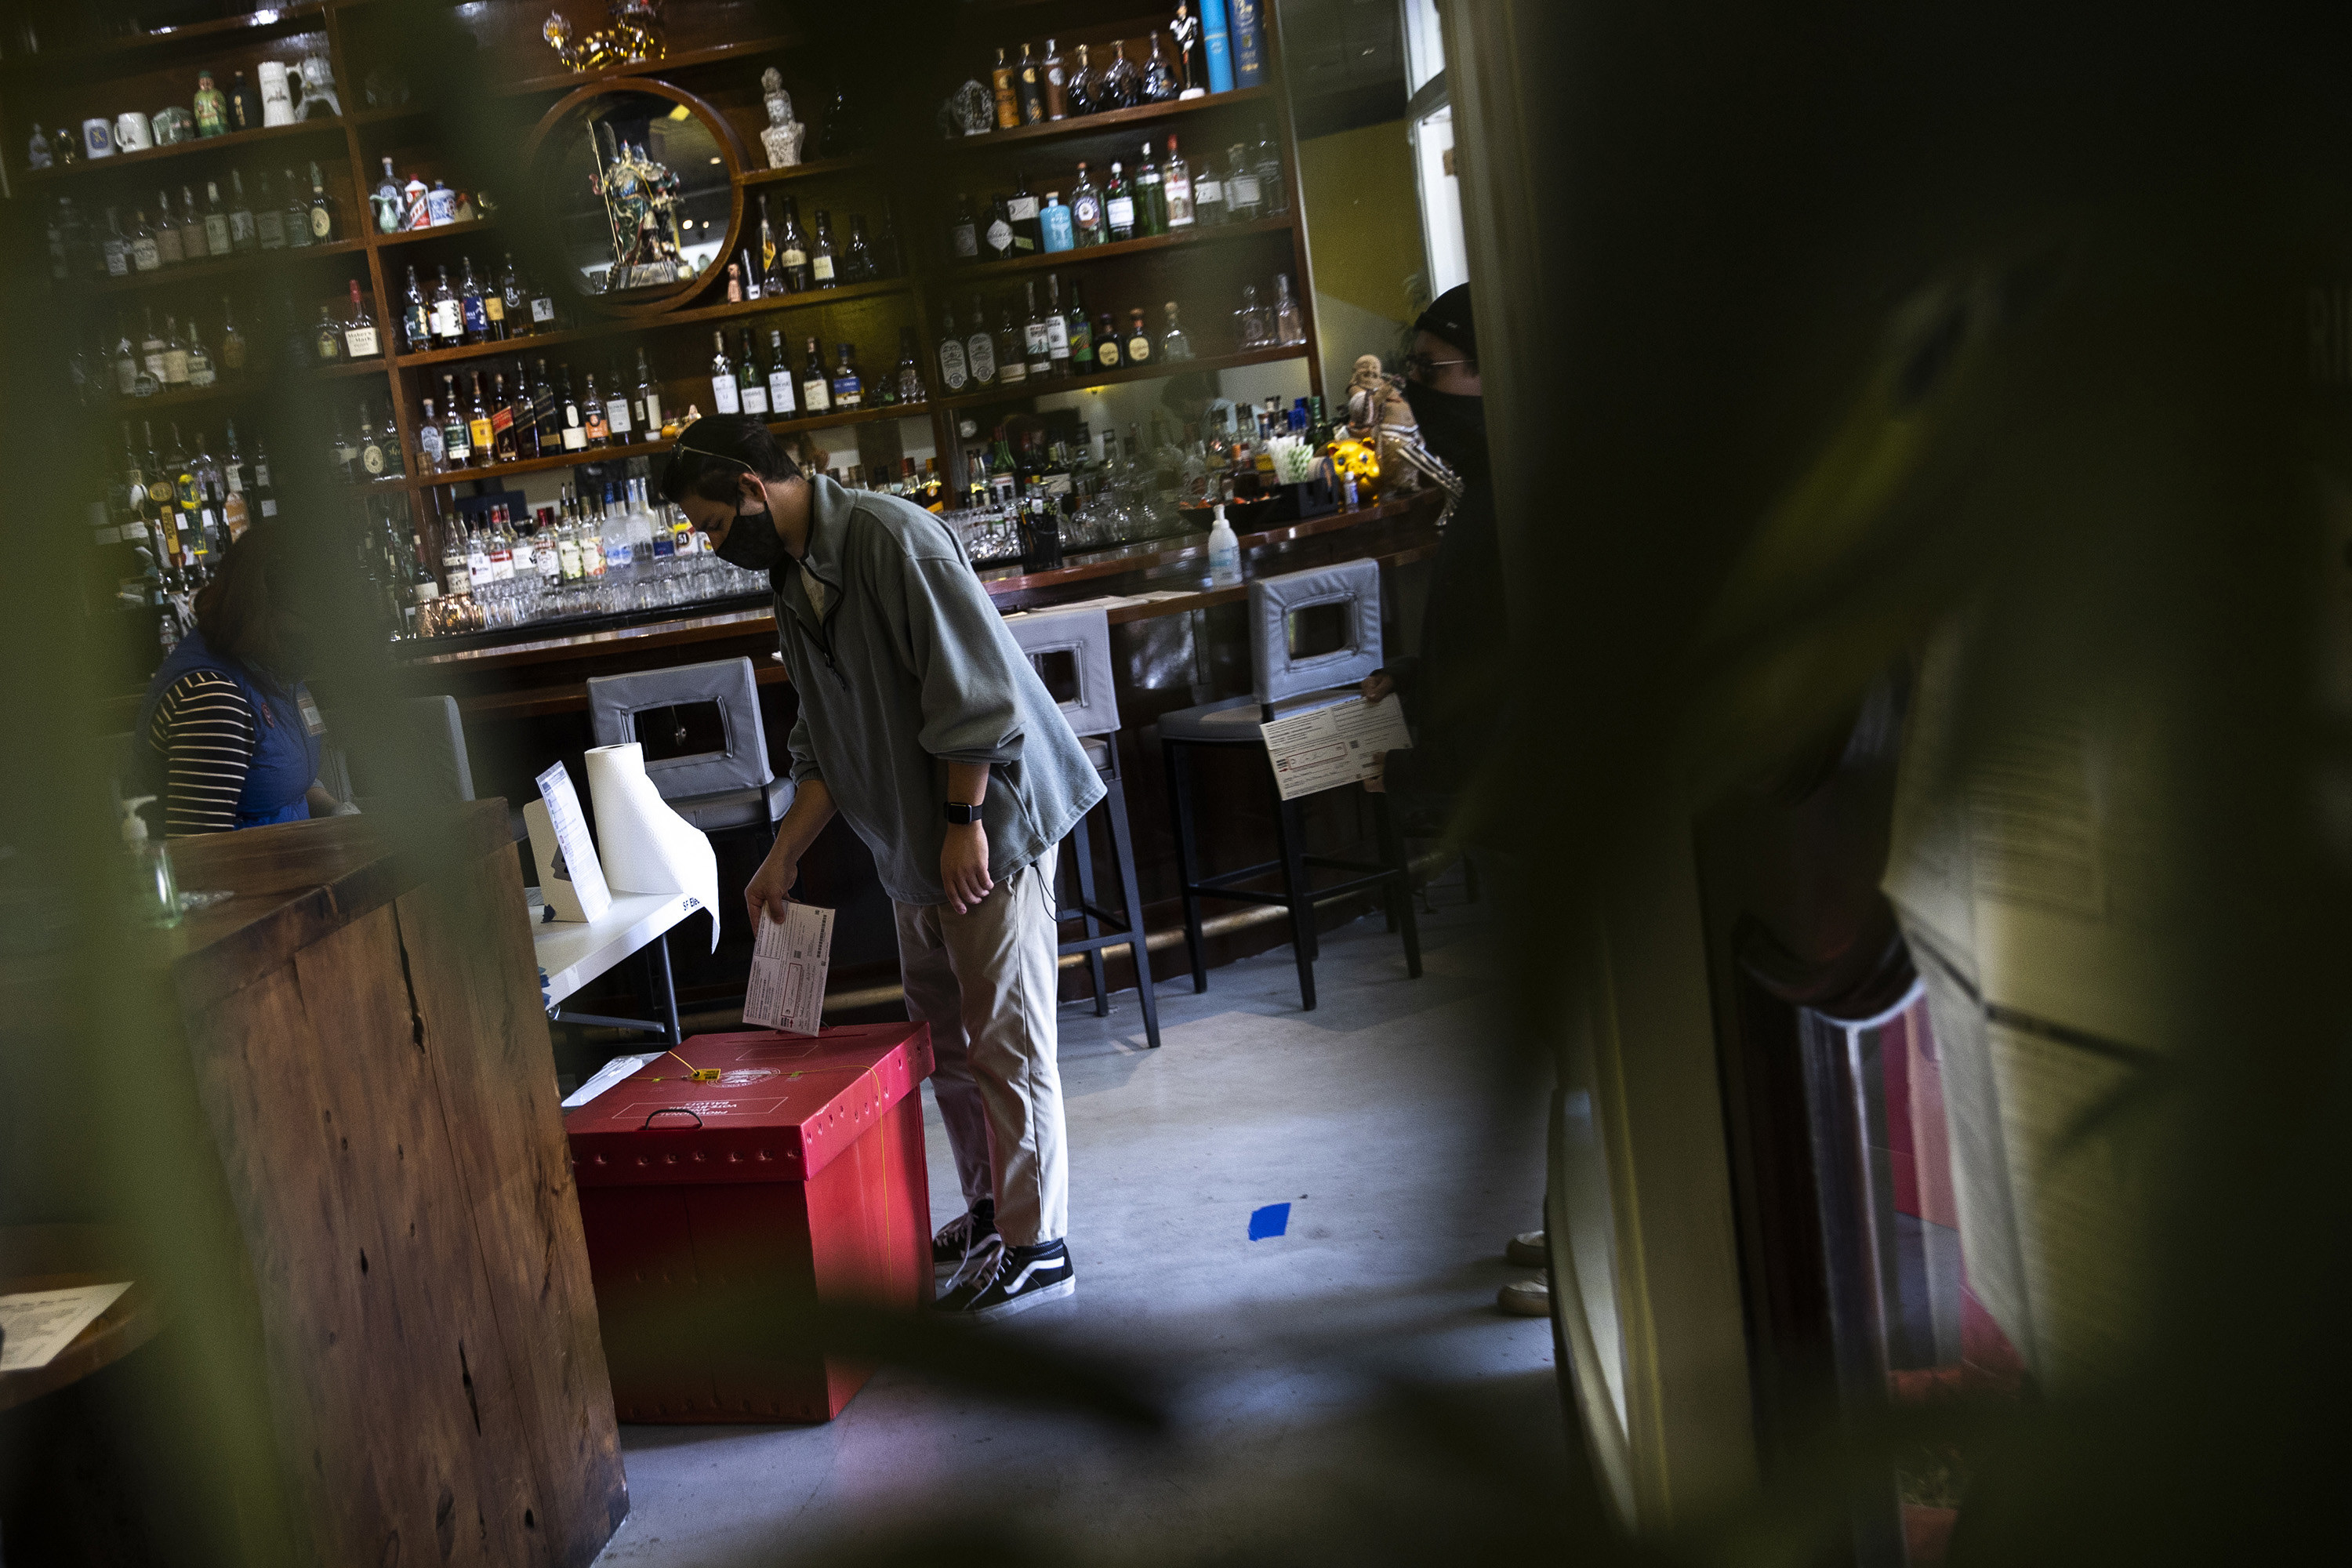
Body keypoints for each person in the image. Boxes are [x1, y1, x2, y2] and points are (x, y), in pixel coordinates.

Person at [660, 416, 1104, 1320]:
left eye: (710, 524)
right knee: (946, 1042)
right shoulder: (793, 579)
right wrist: (781, 855)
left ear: (751, 485)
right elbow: (821, 742)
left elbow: (977, 692)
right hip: (913, 839)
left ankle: (1038, 1242)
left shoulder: (891, 537)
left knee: (1008, 1039)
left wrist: (963, 820)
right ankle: (990, 1213)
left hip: (985, 823)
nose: (713, 546)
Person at [1354, 288, 1543, 1313]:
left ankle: (1600, 1242)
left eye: (1436, 371)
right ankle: (1581, 1219)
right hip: (1497, 788)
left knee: (1585, 1030)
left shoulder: (1532, 488)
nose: (1419, 393)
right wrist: (1413, 689)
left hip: (1535, 785)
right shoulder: (1483, 483)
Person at [133, 523, 342, 837]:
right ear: (259, 609)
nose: (315, 639)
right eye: (307, 623)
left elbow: (280, 779)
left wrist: (337, 812)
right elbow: (200, 857)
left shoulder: (270, 664)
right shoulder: (213, 699)